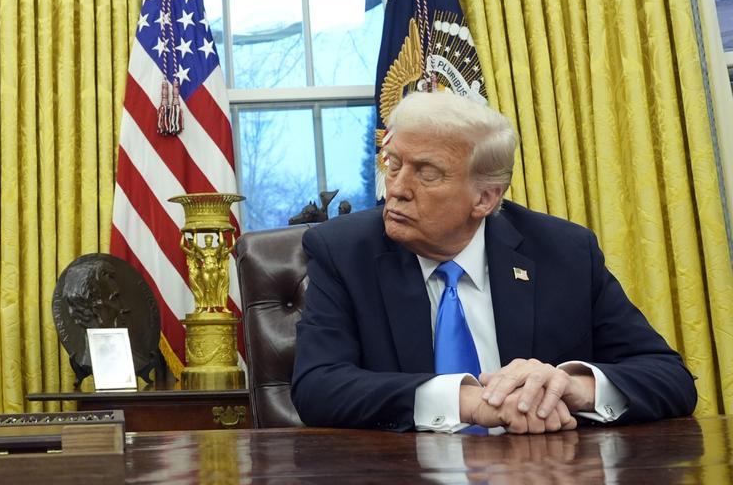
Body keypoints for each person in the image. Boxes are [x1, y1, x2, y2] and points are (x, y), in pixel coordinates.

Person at [291, 91, 696, 434]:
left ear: (485, 198)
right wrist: (467, 401)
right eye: (393, 164)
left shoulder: (564, 252)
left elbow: (670, 377)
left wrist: (570, 387)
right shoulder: (343, 251)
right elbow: (318, 387)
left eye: (426, 173)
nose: (396, 189)